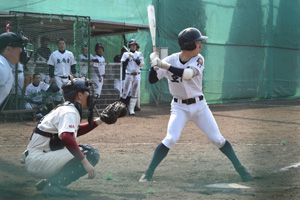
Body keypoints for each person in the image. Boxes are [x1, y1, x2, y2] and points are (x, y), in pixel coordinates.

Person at [139, 27, 252, 183]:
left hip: (200, 107)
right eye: (198, 43)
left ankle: (241, 169)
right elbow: (152, 79)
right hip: (179, 108)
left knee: (218, 140)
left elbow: (187, 74)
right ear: (189, 45)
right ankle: (148, 173)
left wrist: (163, 65)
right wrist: (154, 65)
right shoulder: (170, 59)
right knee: (171, 139)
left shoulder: (198, 59)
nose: (201, 46)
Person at [23, 77, 103, 197]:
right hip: (39, 160)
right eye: (87, 91)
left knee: (83, 151)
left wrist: (101, 120)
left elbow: (74, 131)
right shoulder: (70, 112)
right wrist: (85, 162)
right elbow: (66, 137)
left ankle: (49, 182)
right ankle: (53, 186)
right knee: (90, 154)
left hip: (38, 157)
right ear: (79, 95)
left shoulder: (66, 108)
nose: (90, 94)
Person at [0, 32, 30, 106]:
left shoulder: (5, 65)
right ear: (9, 49)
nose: (22, 51)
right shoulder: (1, 66)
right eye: (20, 48)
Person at [48, 38, 76, 104]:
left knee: (67, 94)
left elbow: (73, 65)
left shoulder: (70, 54)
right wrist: (52, 77)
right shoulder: (54, 54)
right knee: (58, 95)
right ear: (57, 45)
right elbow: (51, 67)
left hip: (67, 77)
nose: (62, 45)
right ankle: (58, 109)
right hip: (58, 77)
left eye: (63, 43)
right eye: (60, 44)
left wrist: (74, 74)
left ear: (65, 44)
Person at [119, 39, 144, 115]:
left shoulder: (139, 54)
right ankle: (120, 109)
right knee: (125, 92)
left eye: (135, 45)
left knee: (134, 92)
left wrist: (134, 58)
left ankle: (131, 110)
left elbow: (141, 64)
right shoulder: (126, 54)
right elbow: (123, 64)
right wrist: (128, 58)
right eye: (132, 45)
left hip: (137, 75)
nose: (133, 46)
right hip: (129, 75)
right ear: (129, 46)